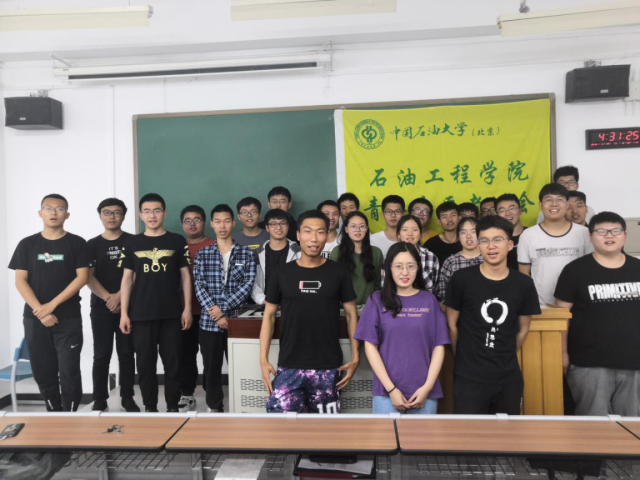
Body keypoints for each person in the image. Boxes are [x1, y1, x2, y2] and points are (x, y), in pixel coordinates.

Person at [260, 210, 359, 413]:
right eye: (307, 231)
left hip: (327, 366)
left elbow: (351, 315)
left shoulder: (339, 271)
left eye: (320, 232)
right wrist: (263, 359)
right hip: (289, 364)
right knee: (280, 425)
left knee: (325, 428)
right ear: (298, 235)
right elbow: (268, 316)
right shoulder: (281, 273)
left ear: (327, 235)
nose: (314, 238)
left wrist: (356, 357)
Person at [445, 216, 541, 414]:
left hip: (508, 376)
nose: (491, 246)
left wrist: (503, 354)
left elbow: (523, 329)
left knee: (507, 432)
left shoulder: (523, 284)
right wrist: (462, 358)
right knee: (468, 431)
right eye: (484, 240)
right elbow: (452, 325)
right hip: (469, 376)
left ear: (510, 245)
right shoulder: (462, 279)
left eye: (498, 239)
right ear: (479, 245)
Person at [9, 194, 91, 412]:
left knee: (69, 370)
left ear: (67, 214)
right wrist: (41, 311)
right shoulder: (27, 244)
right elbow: (20, 280)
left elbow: (82, 278)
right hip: (35, 319)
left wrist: (51, 306)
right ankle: (53, 413)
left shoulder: (77, 243)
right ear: (40, 213)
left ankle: (70, 415)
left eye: (59, 208)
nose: (53, 212)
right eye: (48, 208)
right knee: (43, 370)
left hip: (68, 318)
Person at [555, 212, 640, 416]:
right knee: (592, 424)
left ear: (625, 235)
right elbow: (561, 316)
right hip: (589, 363)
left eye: (615, 231)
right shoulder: (574, 271)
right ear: (591, 237)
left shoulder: (638, 268)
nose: (609, 236)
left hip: (634, 361)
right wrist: (562, 353)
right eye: (601, 231)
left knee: (632, 424)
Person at [355, 242, 450, 414]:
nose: (405, 272)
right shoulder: (376, 299)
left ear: (418, 268)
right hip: (386, 393)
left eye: (410, 266)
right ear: (389, 268)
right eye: (398, 266)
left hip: (424, 393)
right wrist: (391, 389)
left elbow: (439, 346)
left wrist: (427, 387)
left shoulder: (429, 300)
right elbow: (370, 346)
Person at [119, 193, 192, 413]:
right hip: (141, 314)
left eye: (157, 210)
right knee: (145, 366)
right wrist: (124, 313)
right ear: (141, 215)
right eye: (147, 211)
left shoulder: (177, 241)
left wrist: (187, 308)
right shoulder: (132, 243)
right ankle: (150, 408)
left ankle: (172, 407)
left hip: (172, 314)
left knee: (173, 364)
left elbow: (186, 277)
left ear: (165, 213)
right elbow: (127, 280)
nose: (152, 215)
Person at [194, 204, 256, 412]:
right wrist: (217, 314)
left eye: (226, 221)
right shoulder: (202, 254)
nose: (222, 226)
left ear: (233, 223)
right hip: (209, 322)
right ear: (212, 224)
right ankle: (215, 407)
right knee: (211, 369)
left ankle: (242, 406)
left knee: (241, 367)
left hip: (237, 321)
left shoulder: (246, 254)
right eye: (218, 221)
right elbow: (199, 286)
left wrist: (223, 309)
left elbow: (247, 285)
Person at [86, 198, 139, 412]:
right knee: (101, 354)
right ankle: (100, 399)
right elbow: (88, 277)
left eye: (117, 212)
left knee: (126, 353)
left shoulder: (134, 241)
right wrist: (109, 298)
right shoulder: (91, 245)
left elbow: (137, 273)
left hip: (129, 307)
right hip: (101, 307)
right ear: (100, 215)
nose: (112, 216)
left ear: (123, 215)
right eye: (107, 212)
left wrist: (120, 296)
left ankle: (127, 397)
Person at [518, 184, 592, 305]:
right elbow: (524, 274)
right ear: (540, 205)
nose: (554, 204)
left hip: (579, 303)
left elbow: (591, 269)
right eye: (548, 200)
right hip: (541, 305)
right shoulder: (528, 235)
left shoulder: (584, 233)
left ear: (567, 204)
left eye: (559, 199)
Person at [177, 205, 215, 412]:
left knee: (210, 355)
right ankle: (187, 394)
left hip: (210, 311)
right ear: (182, 224)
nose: (192, 224)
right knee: (185, 354)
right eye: (187, 220)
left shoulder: (214, 245)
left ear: (205, 222)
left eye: (197, 220)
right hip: (184, 310)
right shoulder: (176, 246)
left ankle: (212, 395)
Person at [330, 211, 383, 305]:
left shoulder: (376, 252)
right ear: (346, 229)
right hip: (343, 308)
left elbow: (377, 285)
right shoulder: (337, 252)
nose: (358, 230)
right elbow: (333, 284)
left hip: (369, 307)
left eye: (362, 226)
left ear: (366, 229)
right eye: (353, 226)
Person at [252, 209, 301, 305]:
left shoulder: (299, 252)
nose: (279, 227)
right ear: (267, 228)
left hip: (292, 304)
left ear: (288, 226)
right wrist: (263, 300)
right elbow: (252, 282)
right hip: (265, 305)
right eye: (273, 224)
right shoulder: (257, 254)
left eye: (283, 223)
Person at [435, 217, 482, 303]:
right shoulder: (451, 262)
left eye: (473, 231)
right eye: (463, 232)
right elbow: (442, 294)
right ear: (459, 237)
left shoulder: (488, 258)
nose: (468, 236)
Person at [396, 215, 439, 292]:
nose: (410, 234)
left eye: (415, 230)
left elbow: (435, 287)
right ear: (398, 234)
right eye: (405, 230)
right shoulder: (391, 256)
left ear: (420, 234)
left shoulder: (430, 257)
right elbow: (386, 286)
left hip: (425, 299)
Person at [424, 201, 462, 266]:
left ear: (459, 218)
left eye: (453, 215)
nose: (449, 219)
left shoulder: (467, 241)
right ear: (439, 222)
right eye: (444, 217)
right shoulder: (431, 244)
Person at [496, 193, 527, 271]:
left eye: (512, 208)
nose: (508, 213)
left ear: (520, 210)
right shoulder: (494, 239)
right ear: (497, 214)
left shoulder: (531, 234)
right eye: (502, 210)